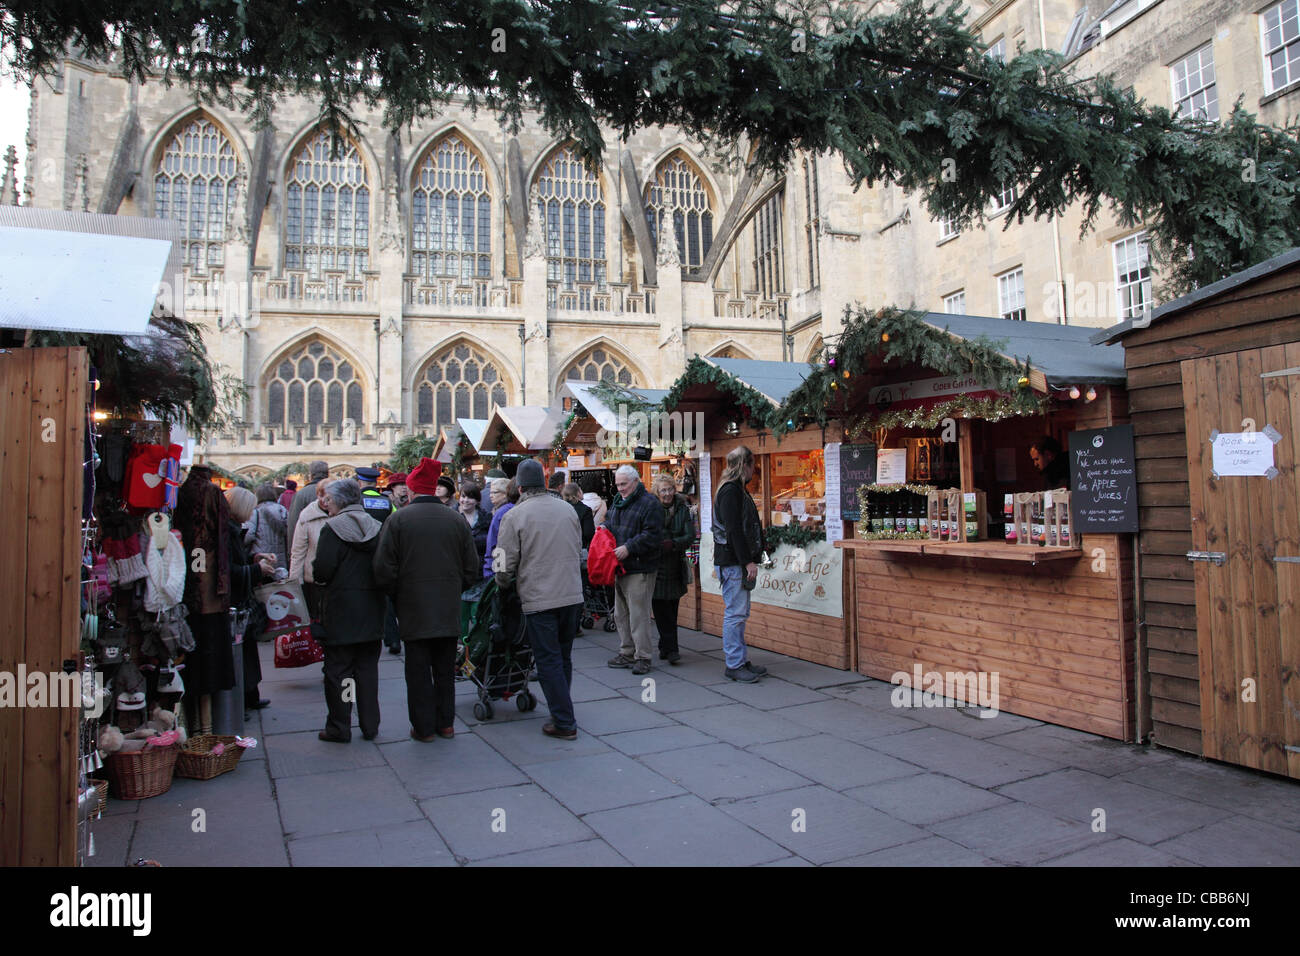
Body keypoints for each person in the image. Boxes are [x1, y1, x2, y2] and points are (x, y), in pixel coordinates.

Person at [373, 457, 479, 741]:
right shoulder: (456, 520)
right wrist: (452, 590)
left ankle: (423, 727)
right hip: (447, 608)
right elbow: (472, 568)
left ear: (410, 490)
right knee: (445, 668)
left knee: (418, 671)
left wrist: (398, 596)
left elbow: (383, 569)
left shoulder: (398, 520)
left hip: (413, 608)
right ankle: (446, 723)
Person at [495, 459, 584, 740]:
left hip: (539, 598)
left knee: (547, 660)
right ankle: (562, 706)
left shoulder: (514, 516)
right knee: (564, 656)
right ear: (544, 484)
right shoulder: (568, 510)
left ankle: (564, 720)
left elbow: (503, 564)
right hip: (572, 594)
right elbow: (578, 545)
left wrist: (502, 585)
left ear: (519, 487)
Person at [311, 479, 386, 743]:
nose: (326, 504)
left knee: (340, 672)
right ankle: (370, 724)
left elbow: (322, 570)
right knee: (367, 670)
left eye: (328, 500)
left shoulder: (332, 529)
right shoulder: (376, 526)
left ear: (340, 501)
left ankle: (340, 726)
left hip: (341, 610)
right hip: (372, 608)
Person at [713, 445, 768, 682]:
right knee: (735, 614)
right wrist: (747, 562)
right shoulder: (730, 491)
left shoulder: (735, 489)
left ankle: (740, 660)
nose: (753, 470)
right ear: (743, 465)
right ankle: (734, 664)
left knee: (739, 613)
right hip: (733, 561)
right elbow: (734, 529)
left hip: (734, 560)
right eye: (752, 465)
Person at [605, 464, 664, 676]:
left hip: (640, 567)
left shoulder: (650, 503)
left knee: (638, 615)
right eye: (618, 484)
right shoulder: (618, 502)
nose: (620, 488)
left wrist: (629, 548)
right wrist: (603, 528)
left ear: (636, 482)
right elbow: (611, 523)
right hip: (620, 566)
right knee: (621, 614)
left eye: (624, 484)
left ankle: (643, 656)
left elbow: (653, 535)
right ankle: (627, 651)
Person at [225, 486, 277, 713]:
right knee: (242, 652)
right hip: (235, 600)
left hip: (241, 599)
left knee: (247, 650)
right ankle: (244, 700)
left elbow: (239, 559)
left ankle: (249, 696)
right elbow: (229, 569)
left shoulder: (233, 529)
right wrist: (257, 569)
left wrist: (257, 558)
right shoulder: (227, 532)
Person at [650, 473, 693, 665]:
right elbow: (648, 533)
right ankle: (671, 648)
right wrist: (660, 544)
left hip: (675, 563)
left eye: (670, 489)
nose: (667, 494)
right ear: (657, 493)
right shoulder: (651, 509)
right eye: (663, 490)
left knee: (672, 608)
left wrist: (673, 543)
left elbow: (690, 534)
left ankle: (666, 646)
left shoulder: (682, 508)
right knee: (660, 609)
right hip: (656, 564)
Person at [289, 480, 331, 623]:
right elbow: (298, 552)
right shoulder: (307, 516)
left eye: (328, 497)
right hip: (313, 581)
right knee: (316, 620)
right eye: (320, 496)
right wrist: (295, 584)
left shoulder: (340, 514)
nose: (324, 501)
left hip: (336, 580)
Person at [245, 483, 289, 569]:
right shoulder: (283, 510)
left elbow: (248, 536)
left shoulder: (255, 512)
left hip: (262, 560)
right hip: (280, 560)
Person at [482, 478, 518, 579]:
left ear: (505, 493)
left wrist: (491, 573)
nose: (490, 495)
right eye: (490, 492)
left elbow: (494, 545)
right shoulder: (501, 510)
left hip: (500, 571)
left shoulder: (501, 513)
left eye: (495, 492)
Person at [288, 460, 329, 546]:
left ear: (311, 475)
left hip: (308, 544)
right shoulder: (337, 492)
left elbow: (294, 523)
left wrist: (291, 552)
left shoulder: (301, 494)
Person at [458, 483, 492, 573]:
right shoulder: (453, 518)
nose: (466, 500)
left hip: (482, 569)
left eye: (470, 497)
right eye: (463, 496)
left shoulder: (487, 518)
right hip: (460, 570)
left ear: (477, 500)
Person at [562, 482, 595, 549]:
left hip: (564, 547)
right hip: (581, 547)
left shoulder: (561, 509)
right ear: (578, 493)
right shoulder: (586, 510)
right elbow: (588, 533)